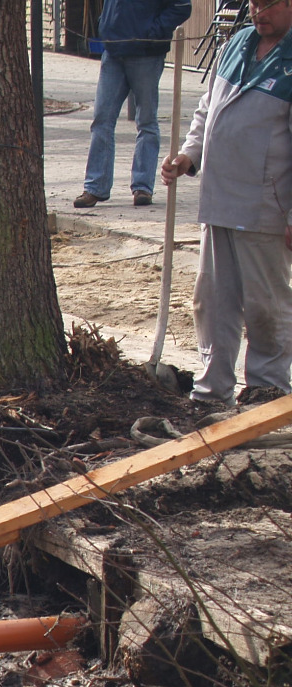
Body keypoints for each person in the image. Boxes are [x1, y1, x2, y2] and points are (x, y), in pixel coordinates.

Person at [161, 0, 292, 406]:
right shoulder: (237, 44)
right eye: (253, 4)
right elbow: (207, 109)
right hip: (219, 199)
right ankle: (212, 388)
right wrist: (189, 155)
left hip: (265, 205)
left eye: (267, 4)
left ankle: (267, 389)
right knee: (212, 302)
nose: (258, 12)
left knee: (265, 304)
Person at [73, 0, 192, 209]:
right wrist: (105, 24)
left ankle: (143, 187)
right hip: (113, 52)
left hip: (146, 54)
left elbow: (181, 7)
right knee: (102, 119)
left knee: (146, 121)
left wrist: (152, 32)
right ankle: (94, 187)